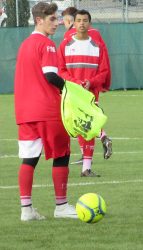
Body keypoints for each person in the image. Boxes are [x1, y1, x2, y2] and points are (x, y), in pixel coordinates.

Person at [14, 2, 77, 221]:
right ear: (39, 20)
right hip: (47, 110)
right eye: (52, 19)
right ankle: (61, 206)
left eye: (58, 18)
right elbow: (50, 75)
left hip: (24, 112)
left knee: (29, 159)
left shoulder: (25, 45)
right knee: (62, 155)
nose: (57, 23)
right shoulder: (47, 44)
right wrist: (70, 89)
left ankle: (26, 210)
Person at [58, 9, 112, 177]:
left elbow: (103, 71)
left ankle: (86, 168)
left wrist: (91, 83)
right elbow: (61, 70)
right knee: (77, 128)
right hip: (73, 93)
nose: (81, 23)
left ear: (90, 24)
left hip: (90, 94)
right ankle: (102, 135)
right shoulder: (65, 45)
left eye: (85, 20)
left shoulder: (96, 47)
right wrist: (76, 84)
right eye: (79, 20)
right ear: (74, 24)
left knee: (87, 127)